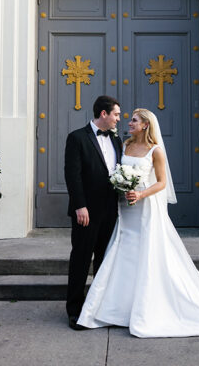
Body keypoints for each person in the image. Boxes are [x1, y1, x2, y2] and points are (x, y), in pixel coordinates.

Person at [76, 107, 199, 338]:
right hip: (125, 209)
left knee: (146, 253)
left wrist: (141, 194)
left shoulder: (155, 151)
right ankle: (117, 309)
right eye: (128, 120)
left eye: (134, 120)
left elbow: (161, 183)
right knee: (124, 252)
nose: (129, 123)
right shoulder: (125, 145)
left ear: (146, 125)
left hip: (144, 207)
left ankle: (145, 307)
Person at [64, 94, 123, 330]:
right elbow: (72, 174)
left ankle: (98, 307)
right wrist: (80, 205)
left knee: (103, 261)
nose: (119, 119)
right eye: (116, 114)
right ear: (103, 114)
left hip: (111, 211)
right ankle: (75, 311)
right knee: (80, 260)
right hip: (86, 212)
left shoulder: (117, 140)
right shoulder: (77, 138)